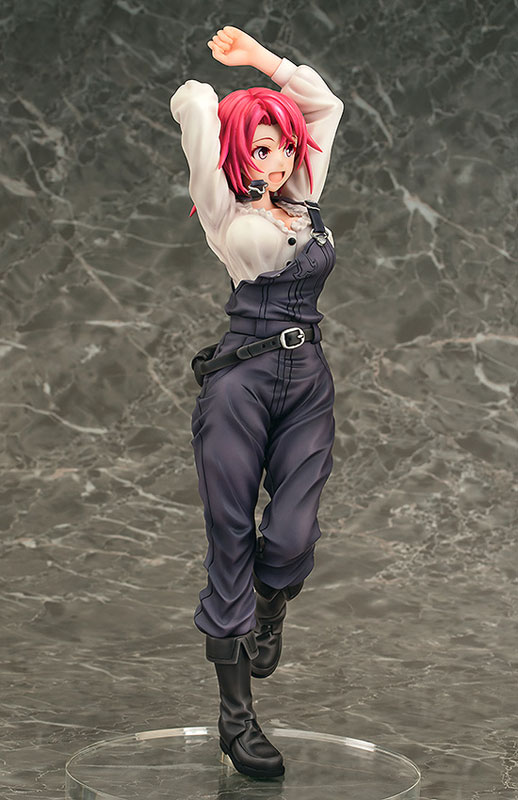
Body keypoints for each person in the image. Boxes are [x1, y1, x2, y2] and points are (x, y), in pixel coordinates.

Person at [170, 25, 343, 779]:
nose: (275, 163)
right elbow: (192, 101)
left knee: (293, 536)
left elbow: (325, 106)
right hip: (240, 383)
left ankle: (272, 606)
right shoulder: (224, 213)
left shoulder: (303, 200)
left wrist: (263, 62)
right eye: (260, 149)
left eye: (283, 148)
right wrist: (218, 98)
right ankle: (236, 720)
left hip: (307, 380)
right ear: (236, 154)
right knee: (231, 541)